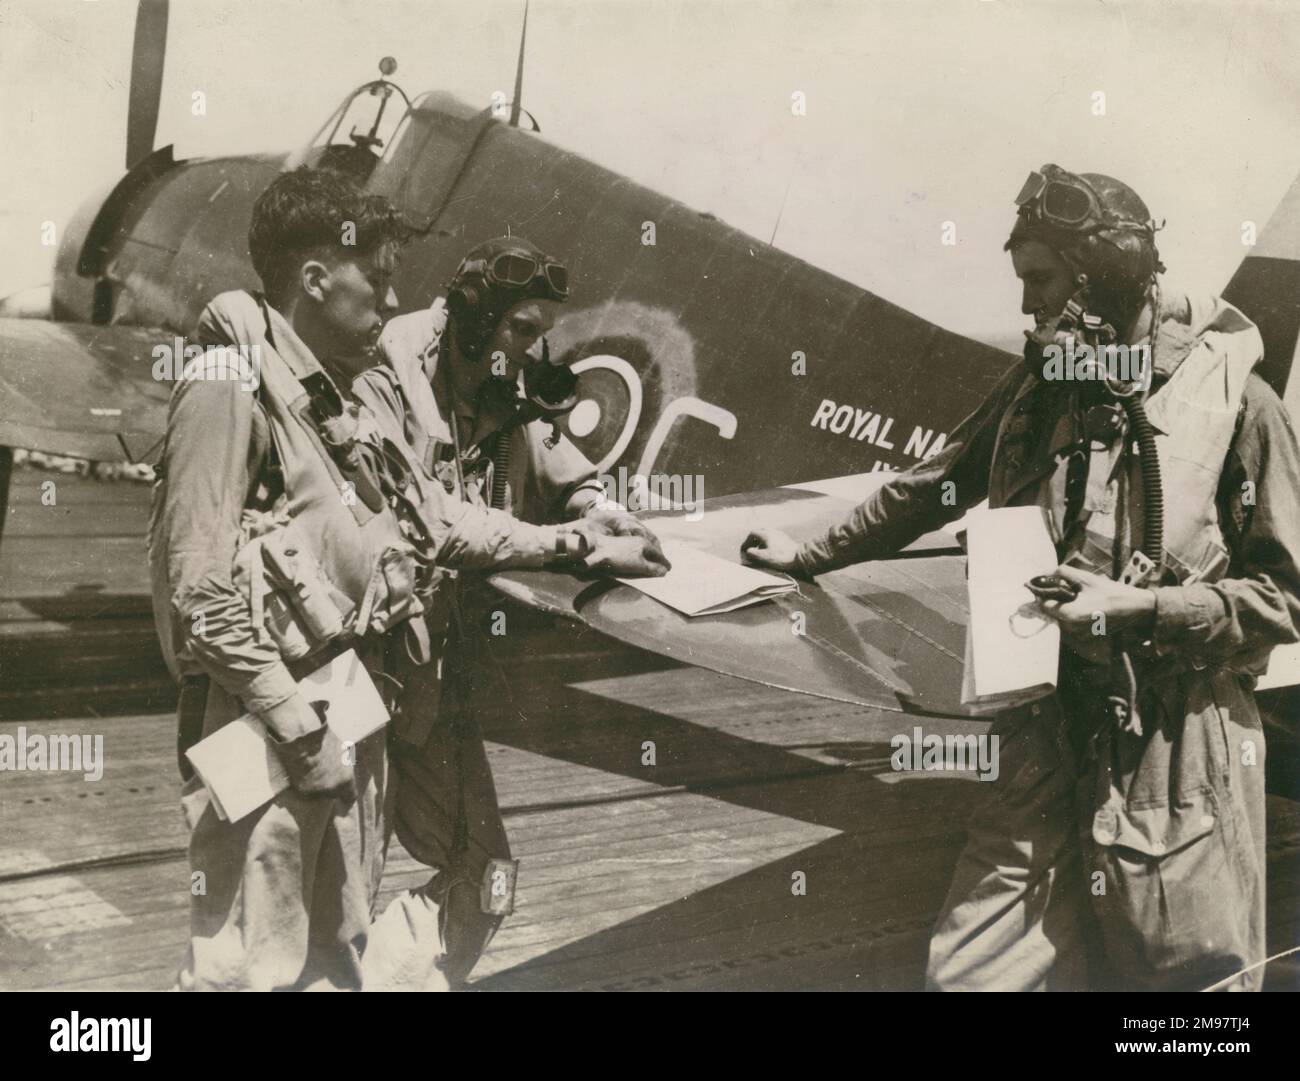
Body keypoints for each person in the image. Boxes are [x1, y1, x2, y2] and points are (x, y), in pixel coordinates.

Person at [743, 164, 1300, 991]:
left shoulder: (1244, 407)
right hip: (1042, 725)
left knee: (1188, 1002)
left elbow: (1282, 600)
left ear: (1100, 276)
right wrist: (811, 550)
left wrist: (1143, 608)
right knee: (974, 976)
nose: (1026, 306)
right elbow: (932, 484)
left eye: (1039, 281)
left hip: (1171, 745)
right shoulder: (1044, 389)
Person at [149, 169, 664, 991]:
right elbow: (199, 595)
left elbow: (440, 520)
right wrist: (299, 729)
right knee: (245, 969)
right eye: (378, 281)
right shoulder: (225, 385)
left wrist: (576, 538)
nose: (392, 305)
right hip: (264, 721)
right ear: (316, 279)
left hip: (346, 707)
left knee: (330, 957)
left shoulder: (341, 395)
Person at [360, 235, 667, 990]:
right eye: (521, 330)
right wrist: (573, 542)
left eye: (540, 333)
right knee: (330, 895)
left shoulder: (509, 380)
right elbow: (437, 526)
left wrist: (602, 509)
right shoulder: (389, 371)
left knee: (487, 875)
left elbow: (568, 473)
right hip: (355, 678)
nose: (534, 349)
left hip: (431, 679)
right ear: (471, 320)